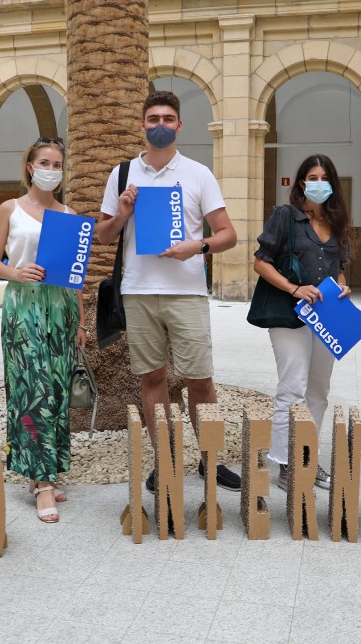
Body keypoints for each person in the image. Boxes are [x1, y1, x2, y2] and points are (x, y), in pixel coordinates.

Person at [96, 90, 240, 492]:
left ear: (179, 125)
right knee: (152, 379)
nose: (160, 125)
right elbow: (104, 237)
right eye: (153, 119)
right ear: (142, 125)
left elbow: (228, 234)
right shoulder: (122, 174)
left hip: (186, 293)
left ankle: (211, 460)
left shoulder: (197, 174)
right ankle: (166, 461)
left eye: (168, 119)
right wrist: (122, 213)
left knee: (201, 381)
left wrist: (199, 246)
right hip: (138, 292)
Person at [0, 137, 84, 523]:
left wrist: (80, 321)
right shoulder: (10, 209)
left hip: (60, 310)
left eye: (58, 165)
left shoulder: (69, 214)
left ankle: (45, 468)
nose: (51, 170)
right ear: (29, 166)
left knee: (55, 390)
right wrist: (16, 271)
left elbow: (74, 277)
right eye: (45, 162)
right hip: (23, 307)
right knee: (31, 387)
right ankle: (42, 485)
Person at [252, 154, 353, 491]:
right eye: (312, 177)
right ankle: (284, 463)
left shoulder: (338, 223)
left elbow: (337, 267)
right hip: (288, 313)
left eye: (325, 177)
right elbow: (261, 263)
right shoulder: (285, 217)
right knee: (292, 387)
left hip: (327, 316)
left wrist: (341, 284)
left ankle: (307, 457)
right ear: (300, 183)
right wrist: (295, 288)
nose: (319, 183)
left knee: (319, 391)